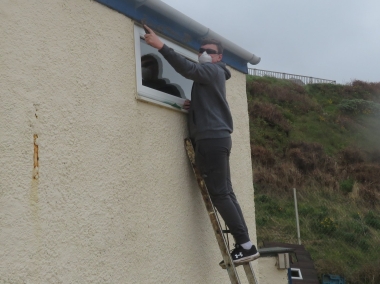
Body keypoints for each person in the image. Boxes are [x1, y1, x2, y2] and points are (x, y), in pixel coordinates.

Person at [143, 25, 260, 264]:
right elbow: (210, 103)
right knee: (226, 193)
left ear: (218, 57)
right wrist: (193, 105)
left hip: (210, 140)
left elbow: (188, 69)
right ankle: (246, 244)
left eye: (209, 51)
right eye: (201, 50)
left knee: (219, 195)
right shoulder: (213, 75)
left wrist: (161, 46)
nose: (204, 53)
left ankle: (245, 246)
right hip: (218, 138)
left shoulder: (213, 70)